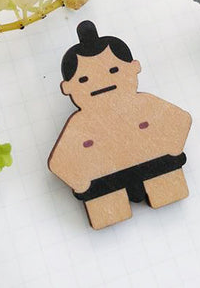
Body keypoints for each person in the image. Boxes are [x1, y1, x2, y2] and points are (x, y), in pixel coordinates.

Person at [48, 20, 192, 229]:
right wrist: (79, 181)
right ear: (67, 87)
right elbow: (60, 162)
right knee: (108, 210)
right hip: (104, 184)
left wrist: (173, 145)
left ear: (134, 68)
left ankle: (164, 189)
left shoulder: (145, 103)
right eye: (84, 79)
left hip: (159, 165)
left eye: (114, 70)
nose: (100, 82)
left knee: (167, 189)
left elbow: (180, 120)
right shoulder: (79, 124)